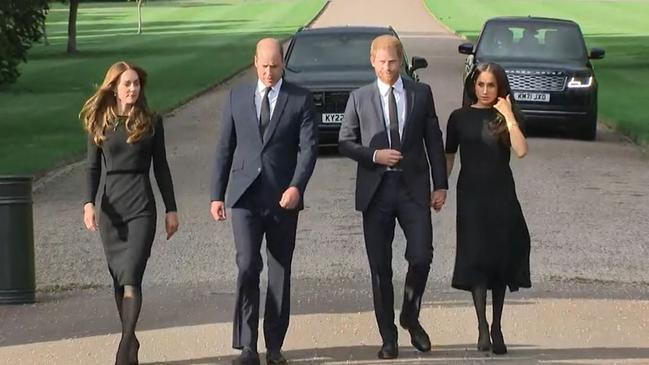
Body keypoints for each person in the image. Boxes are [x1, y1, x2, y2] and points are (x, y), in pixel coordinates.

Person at [338, 35, 448, 360]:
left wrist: (440, 184)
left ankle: (410, 316)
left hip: (413, 188)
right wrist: (374, 156)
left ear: (401, 61)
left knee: (421, 256)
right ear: (372, 61)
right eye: (382, 62)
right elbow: (345, 141)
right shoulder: (359, 98)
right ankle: (388, 337)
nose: (387, 68)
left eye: (393, 62)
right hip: (376, 192)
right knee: (379, 269)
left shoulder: (420, 94)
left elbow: (434, 140)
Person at [210, 38, 318, 365]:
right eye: (264, 65)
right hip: (244, 197)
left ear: (283, 63)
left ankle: (274, 345)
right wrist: (217, 194)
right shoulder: (236, 96)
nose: (269, 72)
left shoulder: (300, 99)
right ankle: (247, 344)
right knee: (246, 266)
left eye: (275, 66)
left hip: (283, 198)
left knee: (279, 271)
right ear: (254, 62)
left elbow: (309, 149)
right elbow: (224, 148)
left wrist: (297, 186)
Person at [81, 61, 179, 365]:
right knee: (118, 280)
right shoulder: (100, 123)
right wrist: (88, 204)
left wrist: (171, 208)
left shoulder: (151, 122)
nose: (133, 89)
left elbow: (161, 167)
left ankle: (123, 349)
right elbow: (92, 167)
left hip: (141, 208)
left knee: (132, 277)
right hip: (112, 210)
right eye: (127, 84)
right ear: (115, 87)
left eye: (136, 83)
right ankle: (132, 340)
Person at [445, 62, 531, 355]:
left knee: (499, 258)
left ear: (500, 88)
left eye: (490, 85)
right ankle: (482, 326)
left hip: (501, 195)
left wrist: (507, 115)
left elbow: (521, 150)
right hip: (470, 195)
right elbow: (449, 156)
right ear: (473, 86)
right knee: (477, 256)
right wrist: (438, 189)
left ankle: (497, 324)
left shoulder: (505, 117)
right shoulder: (458, 118)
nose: (484, 91)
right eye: (480, 85)